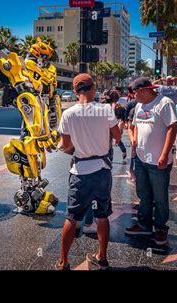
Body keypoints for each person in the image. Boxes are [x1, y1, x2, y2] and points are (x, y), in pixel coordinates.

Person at [57, 73, 121, 270]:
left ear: (76, 92)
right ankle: (102, 257)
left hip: (80, 172)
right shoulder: (105, 111)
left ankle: (63, 261)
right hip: (102, 170)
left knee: (72, 217)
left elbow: (66, 146)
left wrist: (79, 144)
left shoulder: (68, 114)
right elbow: (117, 136)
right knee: (102, 215)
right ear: (93, 88)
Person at [125, 77, 177, 246]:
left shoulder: (165, 103)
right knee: (143, 195)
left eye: (134, 93)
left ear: (143, 91)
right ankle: (144, 224)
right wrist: (134, 141)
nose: (133, 97)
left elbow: (172, 128)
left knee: (160, 197)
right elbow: (134, 126)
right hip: (141, 159)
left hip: (159, 161)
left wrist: (164, 154)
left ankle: (161, 229)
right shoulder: (139, 105)